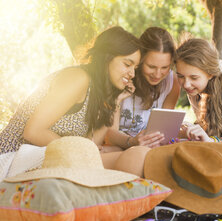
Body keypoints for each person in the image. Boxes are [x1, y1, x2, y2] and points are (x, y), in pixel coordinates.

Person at [0, 26, 150, 178]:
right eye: (127, 64)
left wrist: (115, 101)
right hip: (12, 158)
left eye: (135, 68)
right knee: (136, 157)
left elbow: (89, 145)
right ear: (107, 58)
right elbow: (33, 131)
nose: (132, 74)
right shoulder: (78, 78)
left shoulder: (96, 92)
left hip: (46, 158)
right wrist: (79, 153)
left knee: (128, 155)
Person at [104, 27, 180, 151]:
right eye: (151, 66)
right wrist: (132, 142)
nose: (157, 74)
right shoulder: (122, 77)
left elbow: (163, 131)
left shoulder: (172, 82)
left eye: (165, 67)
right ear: (140, 60)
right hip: (118, 145)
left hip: (147, 148)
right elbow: (108, 134)